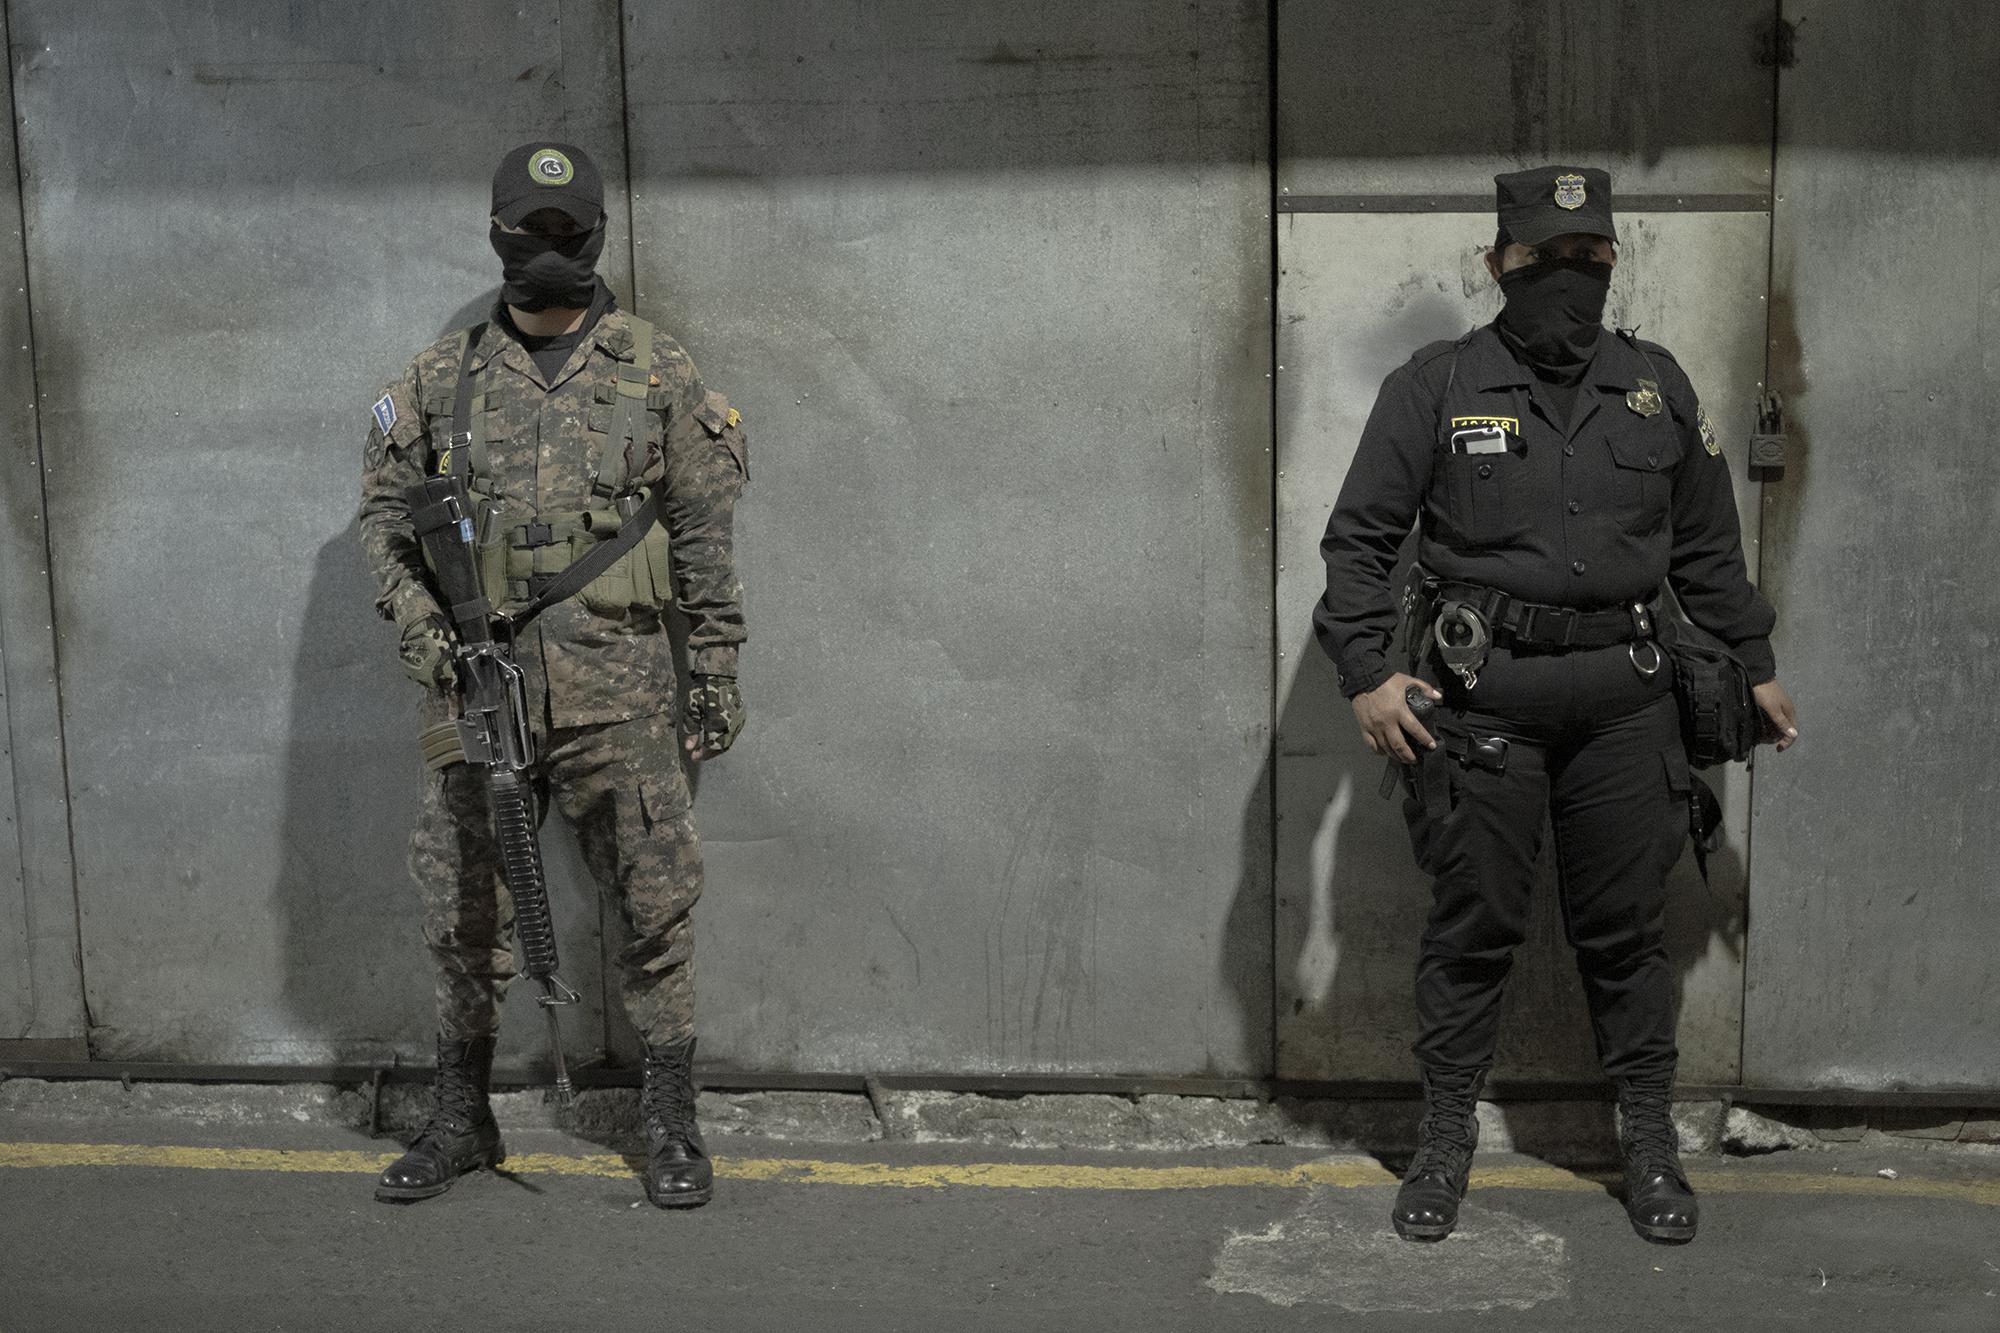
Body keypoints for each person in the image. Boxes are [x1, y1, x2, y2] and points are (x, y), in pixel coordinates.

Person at [1313, 165, 1798, 1245]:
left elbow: (1708, 551)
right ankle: (1442, 1136)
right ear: (1497, 265)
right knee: (1473, 926)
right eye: (1541, 261)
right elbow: (1359, 542)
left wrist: (1752, 657)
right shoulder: (1433, 388)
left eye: (1590, 259)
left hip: (1627, 711)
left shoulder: (1655, 389)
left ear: (1611, 263)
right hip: (1478, 708)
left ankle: (1645, 1141)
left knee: (1627, 935)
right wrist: (1362, 670)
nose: (1567, 281)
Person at [357, 141, 749, 1209]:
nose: (547, 252)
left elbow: (705, 530)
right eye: (529, 233)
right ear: (496, 237)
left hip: (617, 693)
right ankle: (461, 1114)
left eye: (565, 233)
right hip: (476, 698)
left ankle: (669, 1116)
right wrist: (423, 630)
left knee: (657, 904)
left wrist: (712, 668)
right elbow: (382, 525)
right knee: (460, 910)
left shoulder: (655, 370)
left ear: (596, 237)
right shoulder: (441, 380)